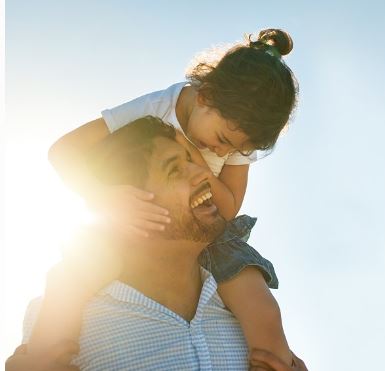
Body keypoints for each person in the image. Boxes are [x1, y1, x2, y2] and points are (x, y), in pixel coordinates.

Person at [45, 28, 299, 365]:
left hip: (215, 232)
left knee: (260, 302)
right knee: (77, 271)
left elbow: (228, 208)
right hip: (132, 216)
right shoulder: (157, 107)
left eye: (238, 150)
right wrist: (103, 196)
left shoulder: (236, 140)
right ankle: (43, 354)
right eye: (223, 138)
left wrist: (198, 166)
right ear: (205, 96)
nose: (224, 151)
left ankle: (276, 361)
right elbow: (64, 151)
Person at [8, 117, 307, 370]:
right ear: (127, 204)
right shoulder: (60, 318)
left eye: (192, 160)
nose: (204, 172)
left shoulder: (244, 307)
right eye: (175, 169)